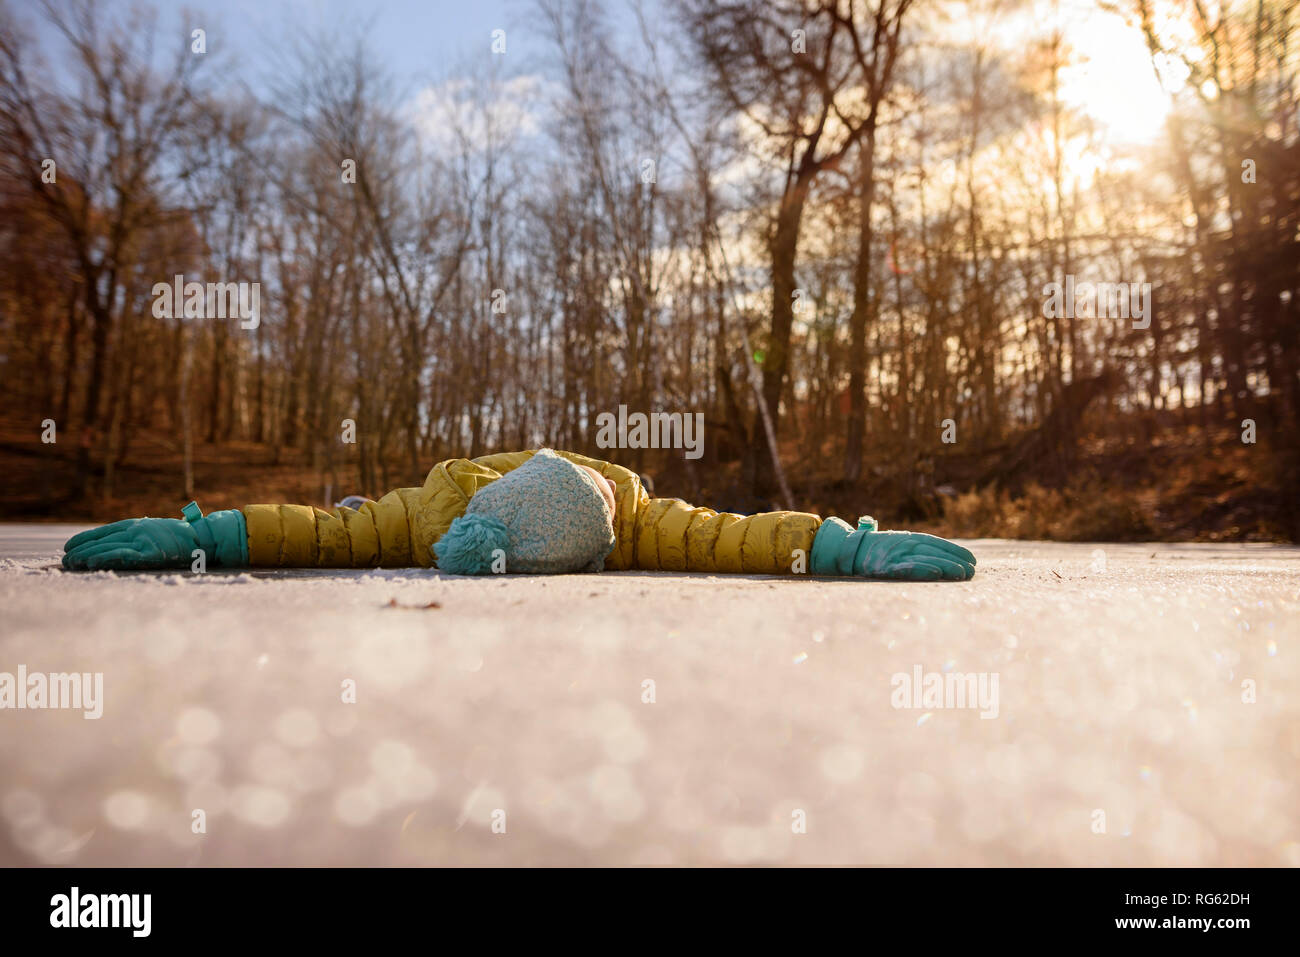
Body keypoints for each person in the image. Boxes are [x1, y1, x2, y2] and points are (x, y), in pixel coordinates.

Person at [60, 448, 976, 580]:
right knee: (354, 514)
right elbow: (322, 529)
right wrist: (207, 534)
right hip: (443, 495)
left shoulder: (637, 520)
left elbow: (729, 531)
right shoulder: (424, 513)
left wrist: (836, 545)